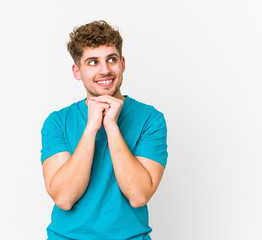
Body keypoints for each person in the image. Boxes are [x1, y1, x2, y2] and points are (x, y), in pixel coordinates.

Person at [40, 20, 168, 240]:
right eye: (92, 62)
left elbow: (138, 195)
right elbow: (64, 198)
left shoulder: (150, 119)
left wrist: (111, 126)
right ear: (77, 71)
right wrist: (91, 128)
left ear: (122, 64)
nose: (105, 70)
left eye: (111, 59)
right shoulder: (57, 122)